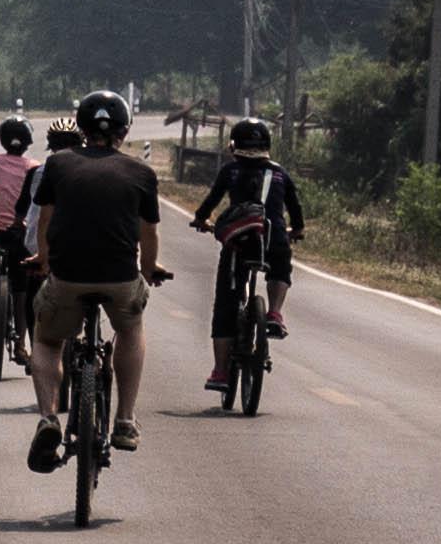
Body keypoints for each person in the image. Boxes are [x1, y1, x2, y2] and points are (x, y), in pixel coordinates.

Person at [25, 88, 170, 471]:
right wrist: (149, 269)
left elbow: (45, 220)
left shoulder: (58, 165)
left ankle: (48, 418)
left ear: (82, 128)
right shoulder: (142, 173)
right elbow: (148, 233)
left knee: (47, 339)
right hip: (120, 276)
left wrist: (43, 260)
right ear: (124, 130)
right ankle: (124, 419)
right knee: (131, 328)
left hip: (68, 274)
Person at [190, 116, 305, 391]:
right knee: (280, 265)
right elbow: (296, 212)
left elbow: (209, 205)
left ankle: (220, 372)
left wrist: (201, 221)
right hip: (273, 238)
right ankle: (275, 313)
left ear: (233, 145)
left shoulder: (230, 171)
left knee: (225, 305)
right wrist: (296, 230)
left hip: (238, 244)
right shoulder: (279, 174)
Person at [0, 115, 44, 325]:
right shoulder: (35, 167)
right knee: (22, 288)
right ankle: (20, 342)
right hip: (21, 234)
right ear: (27, 142)